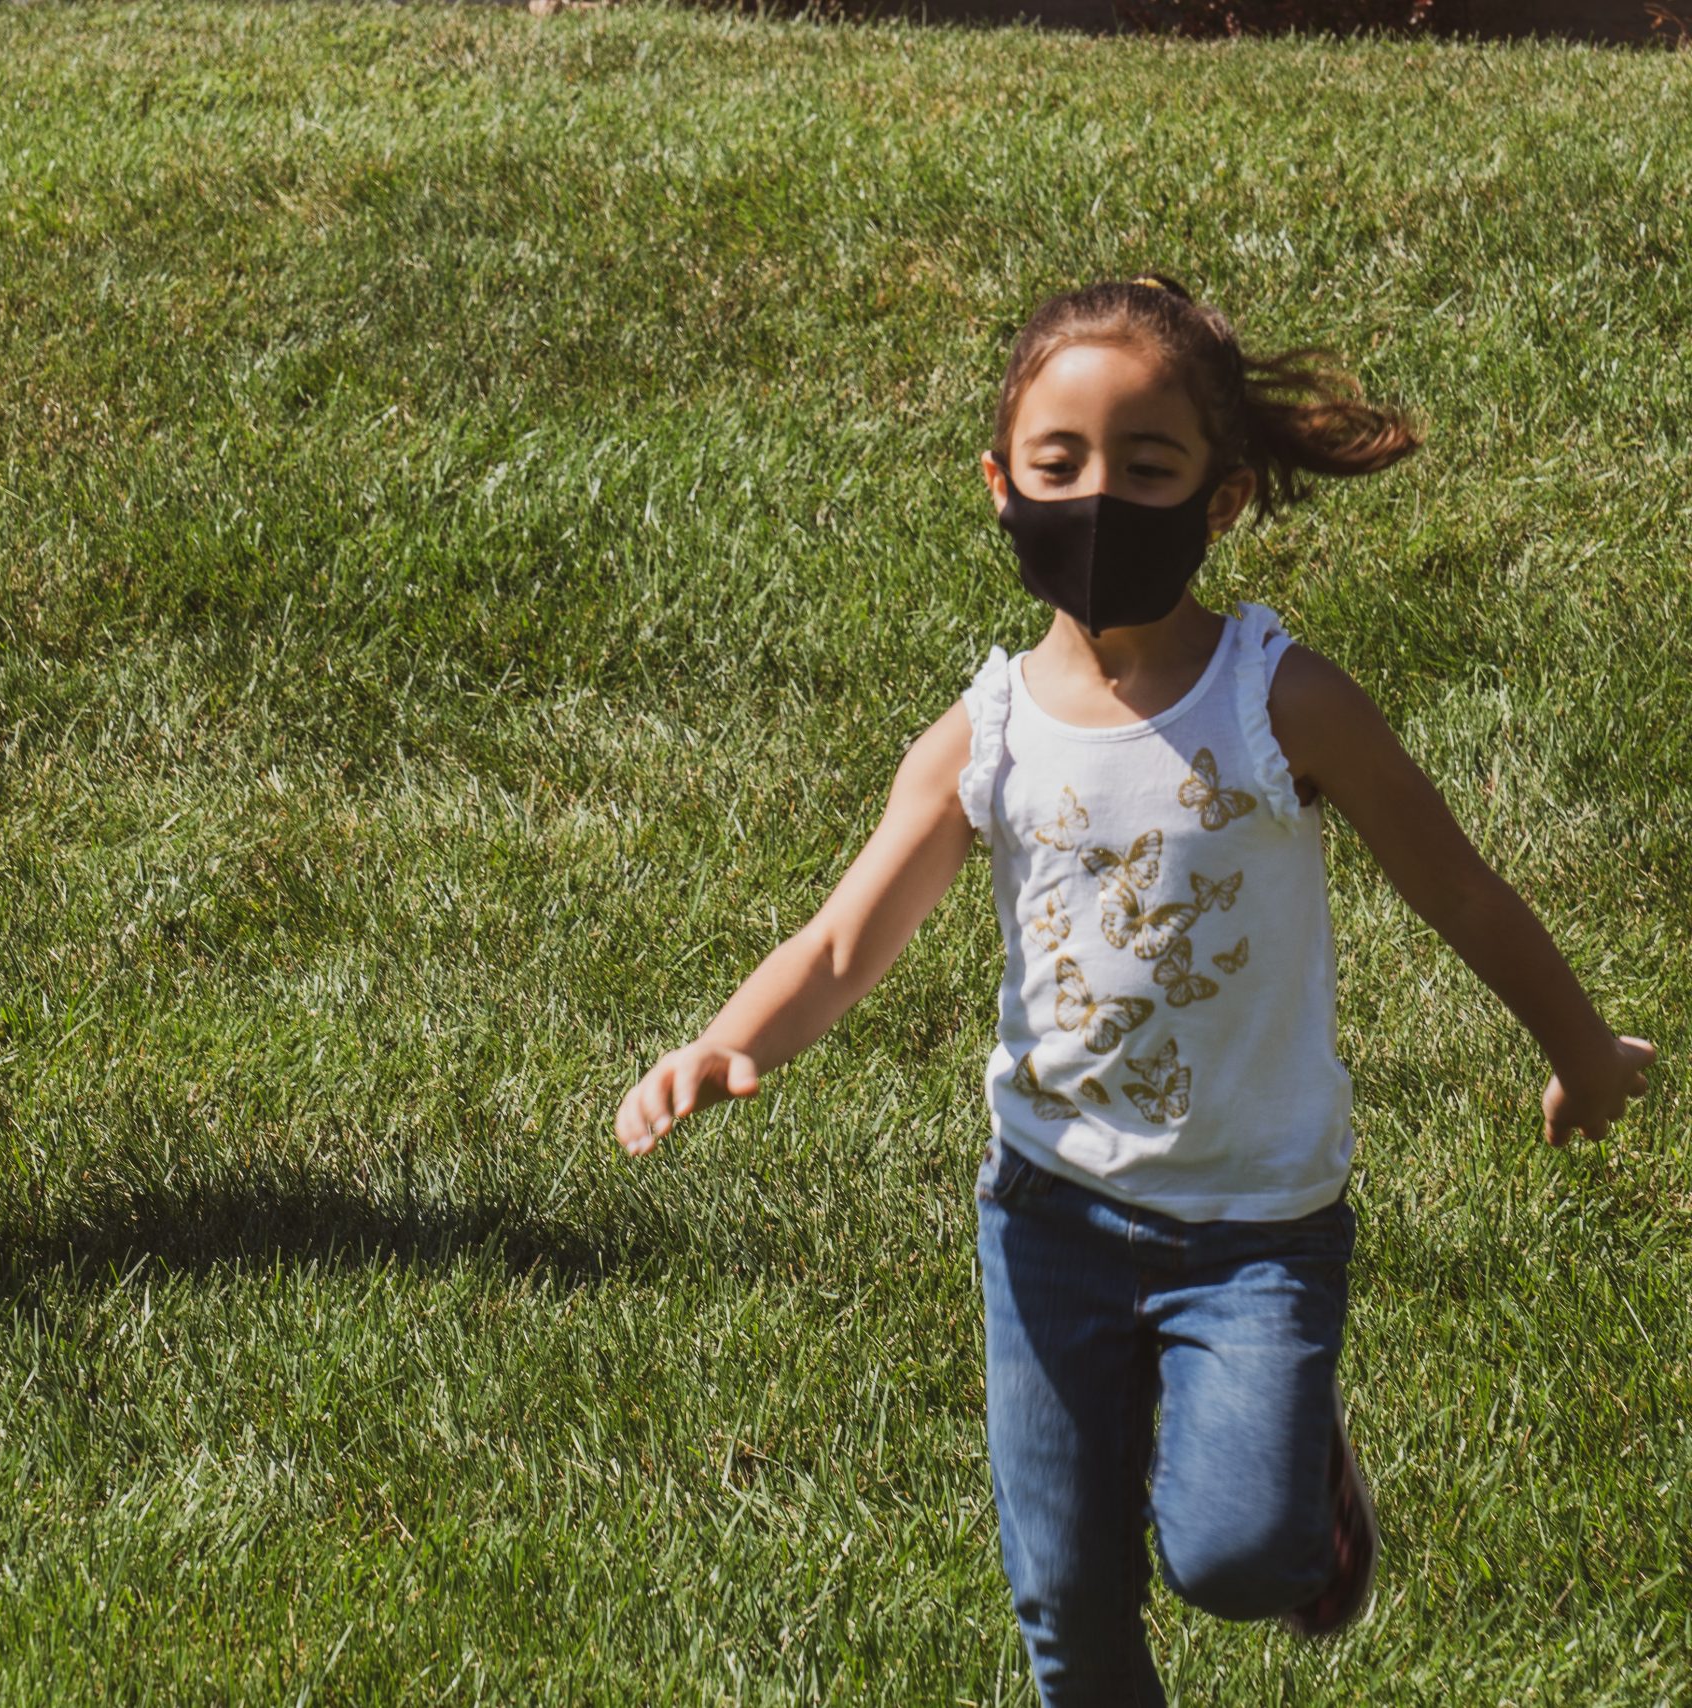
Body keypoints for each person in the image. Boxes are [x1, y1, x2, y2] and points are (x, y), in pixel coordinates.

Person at [611, 275, 1656, 1702]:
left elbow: (1458, 888)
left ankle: (1304, 1490)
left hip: (1255, 1228)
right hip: (1047, 1217)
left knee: (1235, 1554)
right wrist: (725, 1042)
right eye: (1060, 464)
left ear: (1221, 500)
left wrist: (1581, 1050)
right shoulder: (985, 735)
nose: (1099, 498)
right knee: (1066, 1606)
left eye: (1147, 466)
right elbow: (845, 940)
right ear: (1000, 484)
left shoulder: (1281, 702)